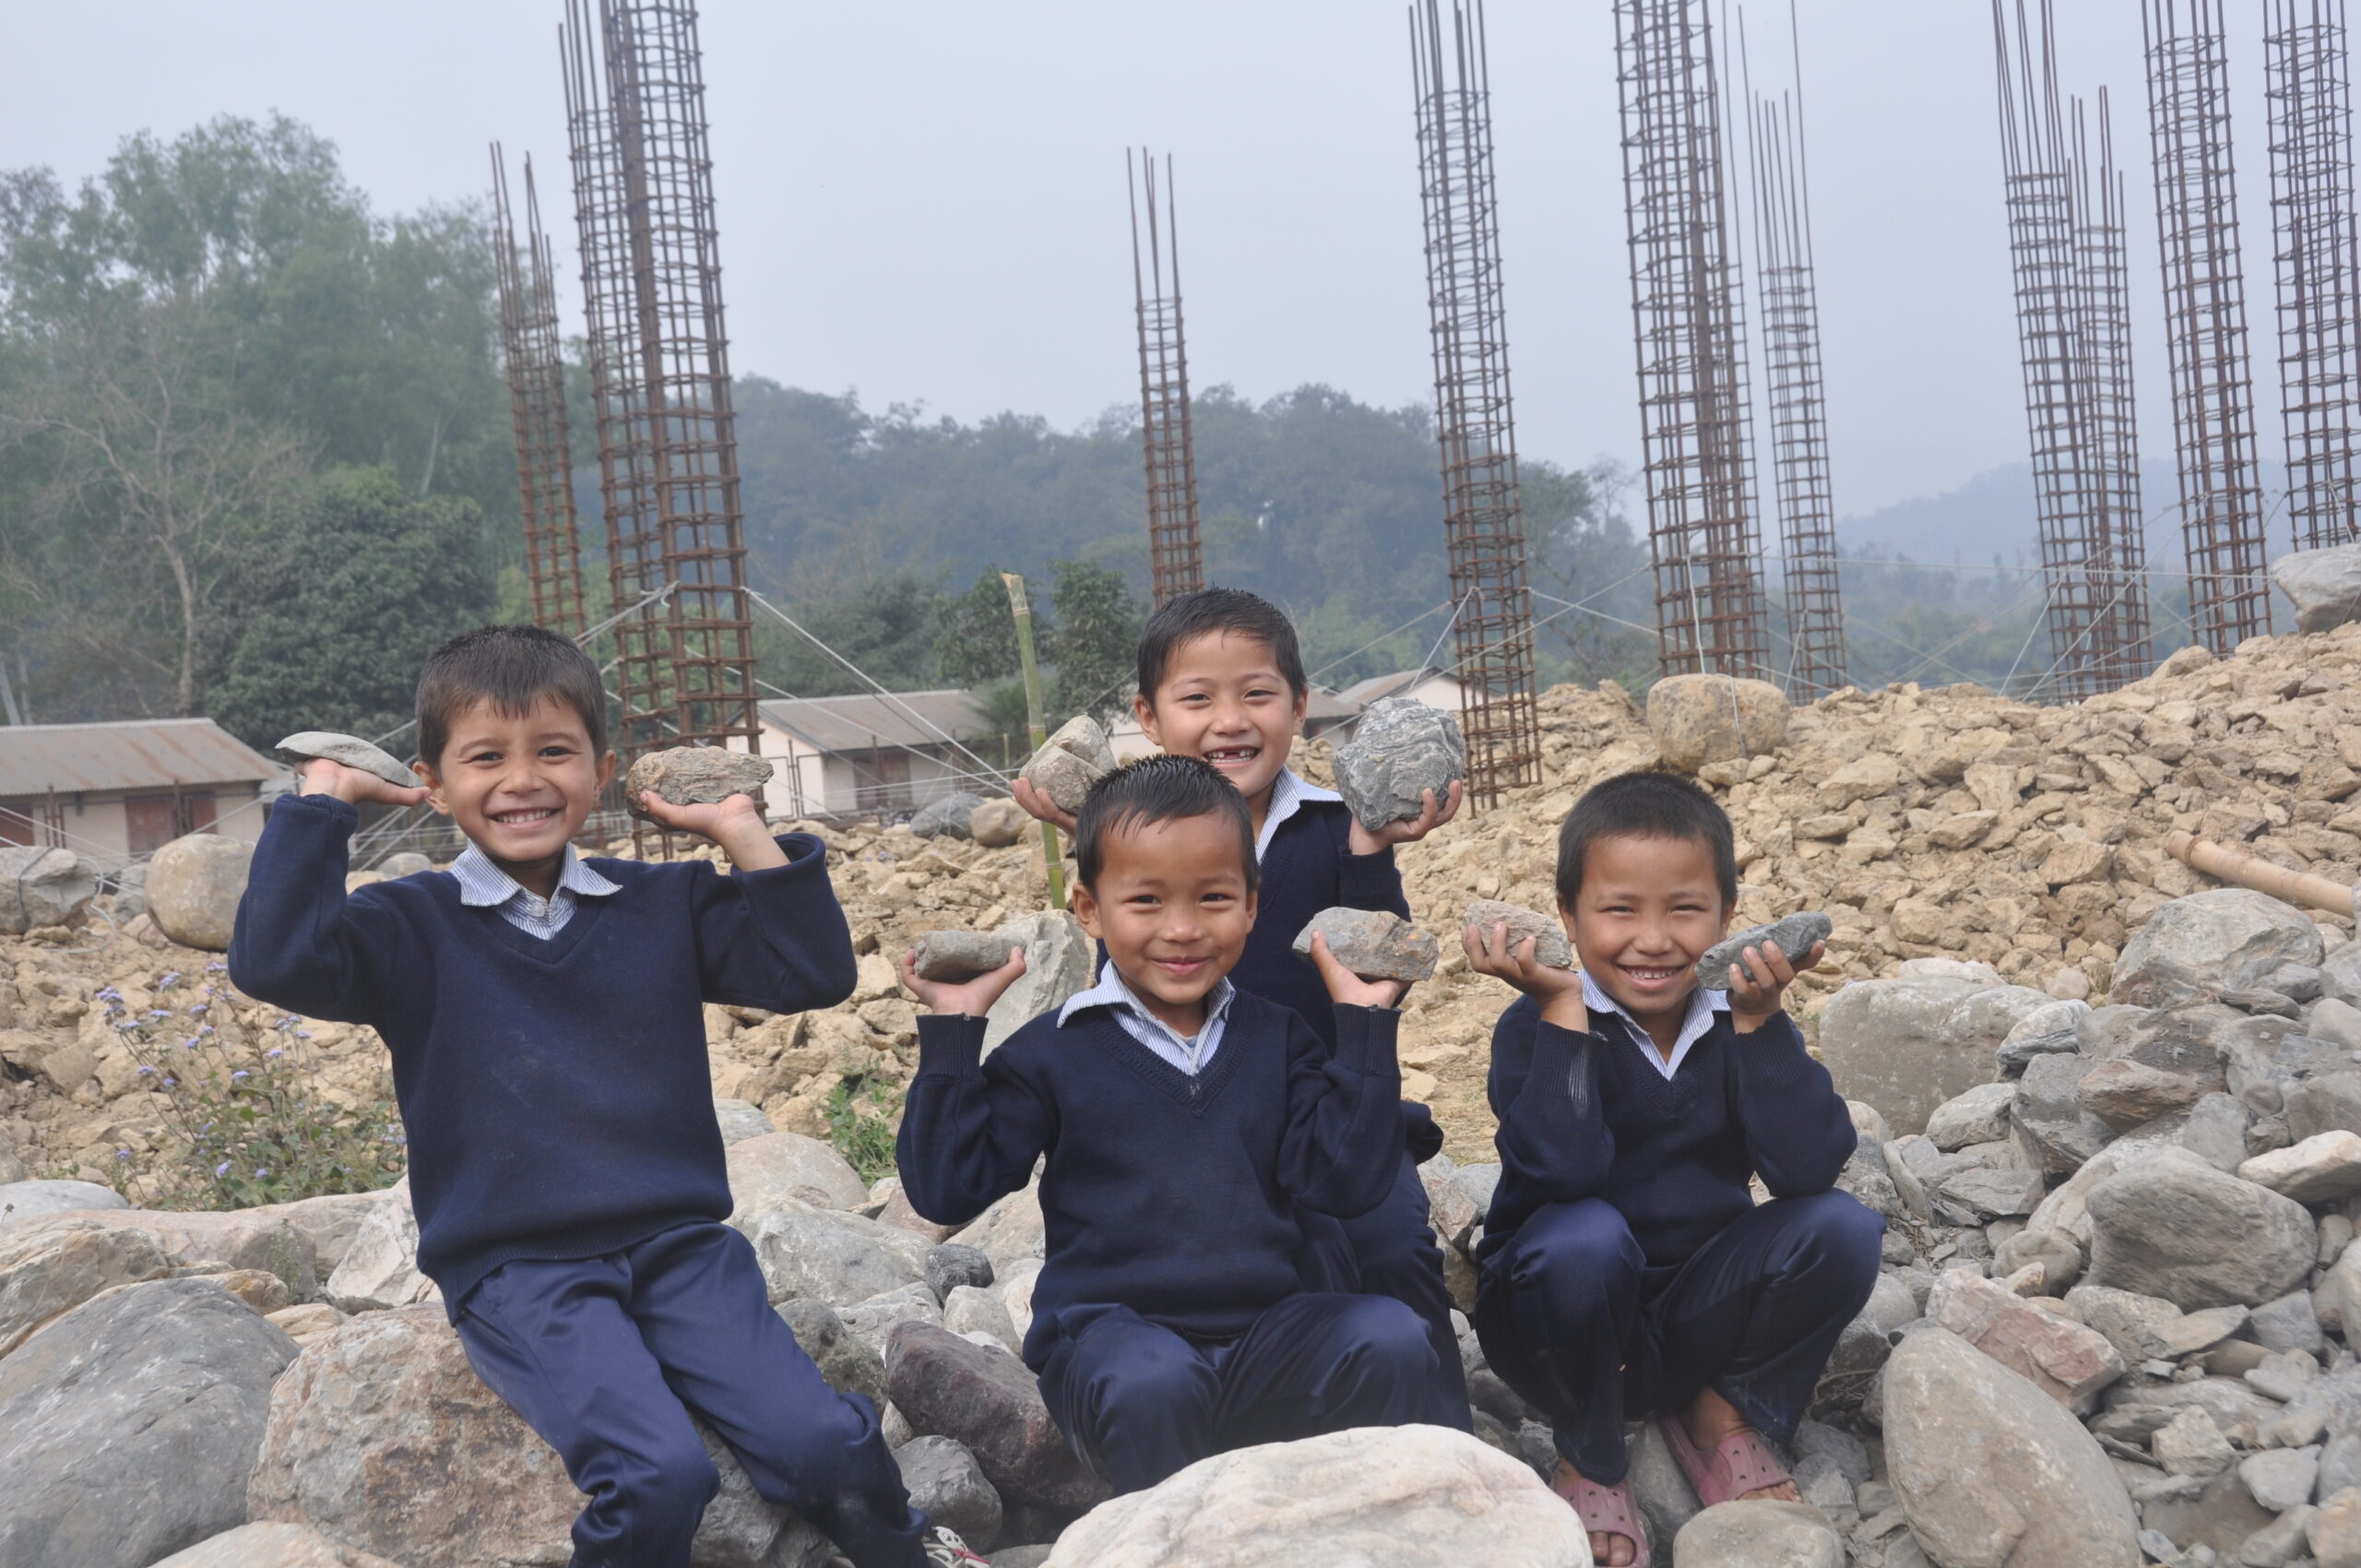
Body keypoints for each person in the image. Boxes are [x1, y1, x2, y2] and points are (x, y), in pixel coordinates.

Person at [229, 624, 981, 1568]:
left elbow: (812, 971)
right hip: (518, 1266)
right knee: (659, 1471)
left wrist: (738, 828)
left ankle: (913, 1553)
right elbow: (273, 961)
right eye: (485, 757)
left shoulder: (658, 902)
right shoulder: (405, 924)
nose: (522, 779)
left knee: (823, 1440)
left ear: (603, 765)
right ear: (431, 779)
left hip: (680, 1248)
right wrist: (320, 807)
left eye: (553, 750)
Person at [897, 755, 1438, 1494]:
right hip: (1118, 1346)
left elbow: (1348, 1182)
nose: (1182, 930)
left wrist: (1365, 1027)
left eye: (1213, 898)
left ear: (1252, 903)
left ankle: (1350, 1526)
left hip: (1267, 1338)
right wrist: (956, 1033)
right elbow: (945, 1188)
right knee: (1154, 1384)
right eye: (1145, 901)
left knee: (1391, 1337)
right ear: (1089, 909)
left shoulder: (1279, 1038)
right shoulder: (1054, 1052)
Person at [1011, 587, 1470, 1427]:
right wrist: (1084, 825)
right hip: (1185, 1119)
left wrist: (1372, 849)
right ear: (1148, 718)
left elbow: (1375, 960)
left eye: (1257, 694)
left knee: (1392, 1244)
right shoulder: (1126, 828)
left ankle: (1442, 1436)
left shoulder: (1338, 827)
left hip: (1325, 1113)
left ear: (1299, 705)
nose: (1230, 721)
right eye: (1198, 699)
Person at [1462, 770, 1882, 1568]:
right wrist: (1561, 1013)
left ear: (1725, 916)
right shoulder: (1536, 1027)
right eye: (1619, 910)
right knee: (1585, 1237)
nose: (1653, 940)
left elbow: (1807, 1169)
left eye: (1684, 910)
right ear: (1568, 918)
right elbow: (1562, 1173)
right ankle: (1591, 1448)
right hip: (1559, 1315)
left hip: (1696, 1311)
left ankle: (1720, 1414)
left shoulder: (1738, 1017)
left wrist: (1761, 1028)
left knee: (1844, 1230)